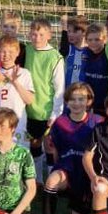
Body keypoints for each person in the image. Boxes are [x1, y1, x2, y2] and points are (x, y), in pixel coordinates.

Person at [43, 82, 102, 214]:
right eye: (72, 99)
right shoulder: (60, 123)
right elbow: (55, 153)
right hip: (67, 171)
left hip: (88, 174)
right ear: (67, 101)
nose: (76, 103)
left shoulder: (98, 122)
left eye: (81, 99)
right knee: (51, 181)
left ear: (89, 101)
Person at [24, 18, 65, 178]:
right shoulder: (26, 50)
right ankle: (38, 180)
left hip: (46, 111)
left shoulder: (55, 57)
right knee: (34, 145)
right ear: (29, 35)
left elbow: (59, 88)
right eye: (34, 34)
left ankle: (51, 179)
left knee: (49, 146)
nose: (37, 38)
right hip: (28, 109)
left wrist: (56, 113)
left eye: (41, 34)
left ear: (49, 35)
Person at [0, 35, 36, 148]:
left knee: (17, 159)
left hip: (17, 126)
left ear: (17, 52)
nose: (6, 55)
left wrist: (15, 82)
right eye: (3, 52)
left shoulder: (24, 73)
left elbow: (30, 100)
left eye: (11, 52)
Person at [78, 22, 108, 114]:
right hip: (89, 100)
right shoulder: (84, 53)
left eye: (97, 39)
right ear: (86, 40)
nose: (93, 43)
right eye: (90, 40)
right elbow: (83, 76)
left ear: (105, 39)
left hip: (107, 102)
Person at [63, 15, 89, 85]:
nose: (70, 34)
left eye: (74, 32)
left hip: (84, 92)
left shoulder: (90, 51)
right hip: (68, 92)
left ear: (84, 32)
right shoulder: (68, 49)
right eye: (69, 31)